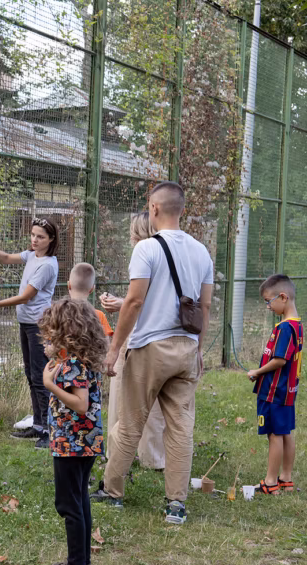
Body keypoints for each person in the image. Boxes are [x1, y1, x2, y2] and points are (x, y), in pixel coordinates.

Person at [94, 182, 213, 525]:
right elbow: (203, 307)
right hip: (186, 347)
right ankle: (176, 505)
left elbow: (133, 301)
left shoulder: (146, 248)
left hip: (150, 348)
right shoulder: (201, 251)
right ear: (182, 210)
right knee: (180, 429)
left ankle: (112, 491)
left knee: (130, 422)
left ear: (153, 208)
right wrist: (199, 349)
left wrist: (115, 350)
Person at [0, 218, 61, 449]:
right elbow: (6, 258)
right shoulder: (32, 255)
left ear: (51, 239)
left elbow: (25, 297)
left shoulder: (47, 265)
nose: (34, 239)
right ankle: (39, 425)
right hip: (25, 323)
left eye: (40, 236)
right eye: (33, 235)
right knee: (32, 375)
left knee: (42, 378)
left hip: (38, 326)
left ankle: (49, 431)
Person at [36, 299, 107, 565]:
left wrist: (50, 385)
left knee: (68, 503)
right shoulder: (81, 360)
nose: (47, 341)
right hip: (83, 443)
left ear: (67, 334)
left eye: (51, 336)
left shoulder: (73, 364)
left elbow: (80, 404)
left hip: (73, 443)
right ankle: (82, 563)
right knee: (80, 500)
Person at [99, 212, 167, 470]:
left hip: (139, 337)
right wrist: (123, 302)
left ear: (139, 232)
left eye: (132, 231)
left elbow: (138, 301)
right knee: (156, 400)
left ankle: (121, 455)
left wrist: (121, 304)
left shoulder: (143, 252)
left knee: (124, 396)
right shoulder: (167, 252)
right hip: (163, 338)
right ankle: (152, 456)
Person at [247, 274, 300, 495]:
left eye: (268, 301)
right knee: (285, 431)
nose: (267, 306)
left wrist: (257, 372)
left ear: (283, 297)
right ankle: (286, 478)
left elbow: (280, 360)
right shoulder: (296, 325)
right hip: (287, 391)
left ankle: (270, 482)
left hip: (274, 391)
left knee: (274, 434)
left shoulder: (285, 328)